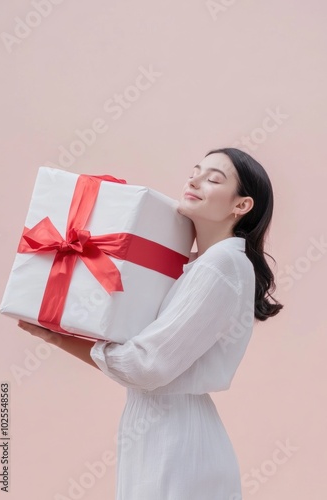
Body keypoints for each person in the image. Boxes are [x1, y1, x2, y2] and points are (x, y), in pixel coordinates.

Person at [18, 147, 284, 500]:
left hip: (179, 445)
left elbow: (147, 366)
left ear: (242, 205)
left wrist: (57, 338)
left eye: (213, 178)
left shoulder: (222, 266)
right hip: (158, 433)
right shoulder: (194, 266)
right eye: (195, 170)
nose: (194, 179)